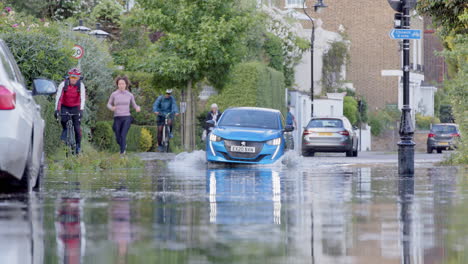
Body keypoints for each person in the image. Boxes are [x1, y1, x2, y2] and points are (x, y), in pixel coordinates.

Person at [54, 68, 86, 154]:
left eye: (76, 78)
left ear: (79, 78)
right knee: (64, 120)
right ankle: (65, 130)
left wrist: (81, 110)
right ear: (69, 77)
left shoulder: (81, 85)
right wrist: (57, 110)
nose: (73, 79)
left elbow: (82, 98)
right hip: (65, 106)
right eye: (72, 77)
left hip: (76, 107)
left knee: (77, 128)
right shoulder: (63, 84)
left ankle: (78, 146)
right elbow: (58, 97)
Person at [107, 76, 141, 155]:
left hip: (126, 117)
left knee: (123, 135)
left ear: (126, 85)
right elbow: (108, 104)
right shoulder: (114, 94)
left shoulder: (130, 95)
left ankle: (122, 153)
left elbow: (134, 105)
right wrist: (111, 107)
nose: (121, 85)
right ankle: (123, 145)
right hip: (117, 117)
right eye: (119, 84)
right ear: (117, 85)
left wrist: (137, 108)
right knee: (117, 136)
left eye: (123, 84)